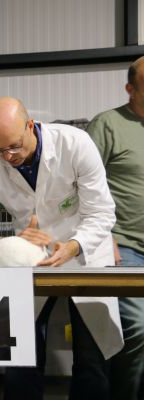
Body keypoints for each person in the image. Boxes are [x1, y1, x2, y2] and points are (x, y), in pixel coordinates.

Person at [0, 96, 123, 400]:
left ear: (30, 126)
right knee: (20, 356)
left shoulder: (75, 144)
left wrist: (73, 246)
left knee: (92, 357)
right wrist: (9, 246)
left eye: (14, 146)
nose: (8, 156)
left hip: (85, 252)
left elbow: (102, 213)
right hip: (26, 260)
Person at [86, 56, 144, 400]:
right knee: (138, 329)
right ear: (130, 89)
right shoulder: (107, 125)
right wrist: (104, 237)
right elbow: (80, 185)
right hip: (124, 245)